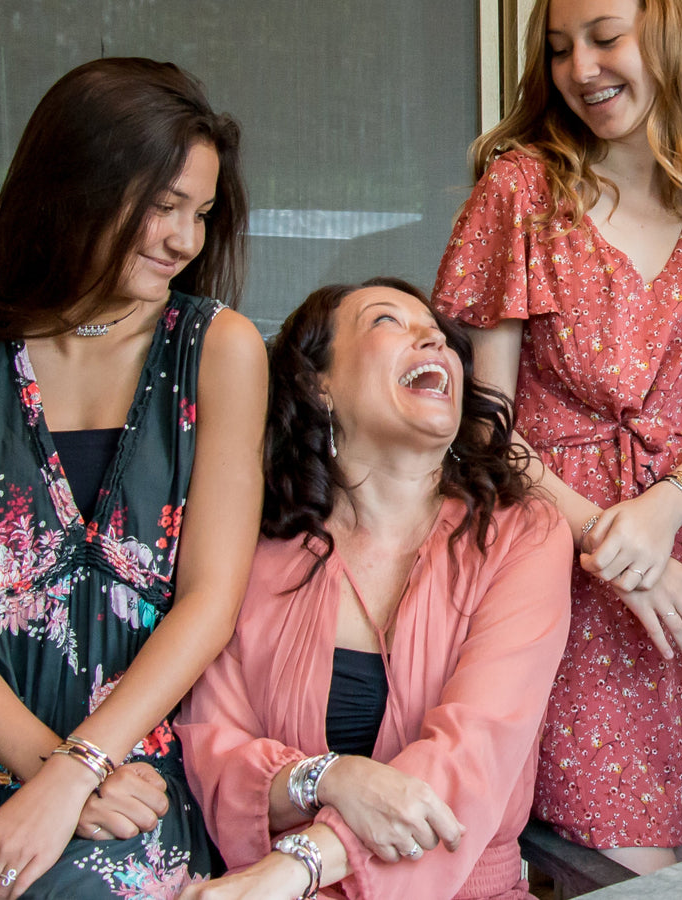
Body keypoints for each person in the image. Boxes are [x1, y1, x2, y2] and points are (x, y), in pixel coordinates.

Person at [431, 0, 682, 873]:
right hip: (557, 552)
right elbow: (485, 421)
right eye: (561, 50)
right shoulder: (521, 190)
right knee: (614, 860)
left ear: (671, 34)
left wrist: (664, 511)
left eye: (605, 38)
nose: (581, 70)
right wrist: (614, 541)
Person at [175, 279, 572, 900]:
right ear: (318, 383)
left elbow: (473, 755)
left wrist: (297, 866)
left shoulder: (523, 535)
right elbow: (215, 755)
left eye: (440, 334)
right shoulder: (253, 549)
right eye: (387, 321)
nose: (434, 339)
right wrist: (328, 778)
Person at [0, 58, 264, 898]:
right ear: (76, 183)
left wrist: (80, 769)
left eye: (201, 214)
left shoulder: (217, 349)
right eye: (163, 204)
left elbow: (210, 603)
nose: (184, 240)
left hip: (136, 770)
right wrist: (48, 773)